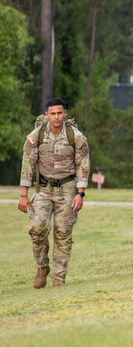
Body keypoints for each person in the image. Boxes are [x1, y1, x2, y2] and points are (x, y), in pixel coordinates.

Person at [18, 99, 90, 288]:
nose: (57, 117)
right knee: (37, 228)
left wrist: (80, 193)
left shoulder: (76, 136)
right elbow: (27, 162)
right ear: (47, 115)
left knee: (63, 233)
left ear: (65, 113)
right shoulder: (38, 135)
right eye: (53, 114)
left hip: (67, 189)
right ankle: (42, 266)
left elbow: (83, 164)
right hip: (43, 189)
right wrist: (24, 194)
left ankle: (59, 277)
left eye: (60, 113)